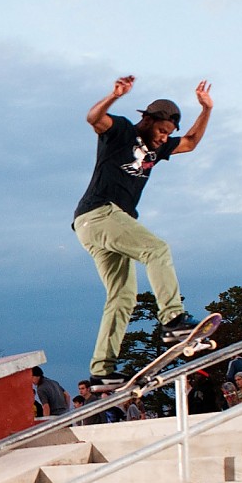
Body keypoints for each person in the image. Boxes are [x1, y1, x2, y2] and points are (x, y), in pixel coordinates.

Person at [73, 75, 214, 388]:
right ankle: (173, 320)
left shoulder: (158, 149)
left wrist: (206, 110)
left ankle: (101, 370)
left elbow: (190, 143)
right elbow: (93, 118)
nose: (164, 138)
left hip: (96, 226)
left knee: (122, 297)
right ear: (148, 121)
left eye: (168, 134)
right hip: (100, 213)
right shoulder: (122, 131)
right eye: (162, 131)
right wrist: (114, 95)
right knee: (157, 249)